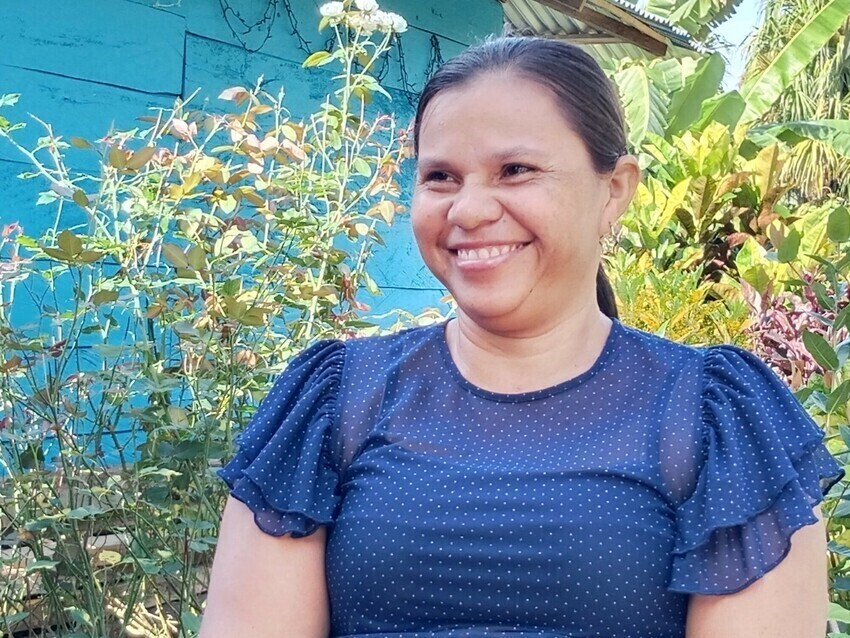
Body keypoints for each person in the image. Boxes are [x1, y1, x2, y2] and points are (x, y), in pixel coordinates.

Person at [199, 37, 844, 638]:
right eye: (440, 177)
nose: (468, 209)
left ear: (614, 190)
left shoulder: (716, 419)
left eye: (514, 169)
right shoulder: (335, 400)